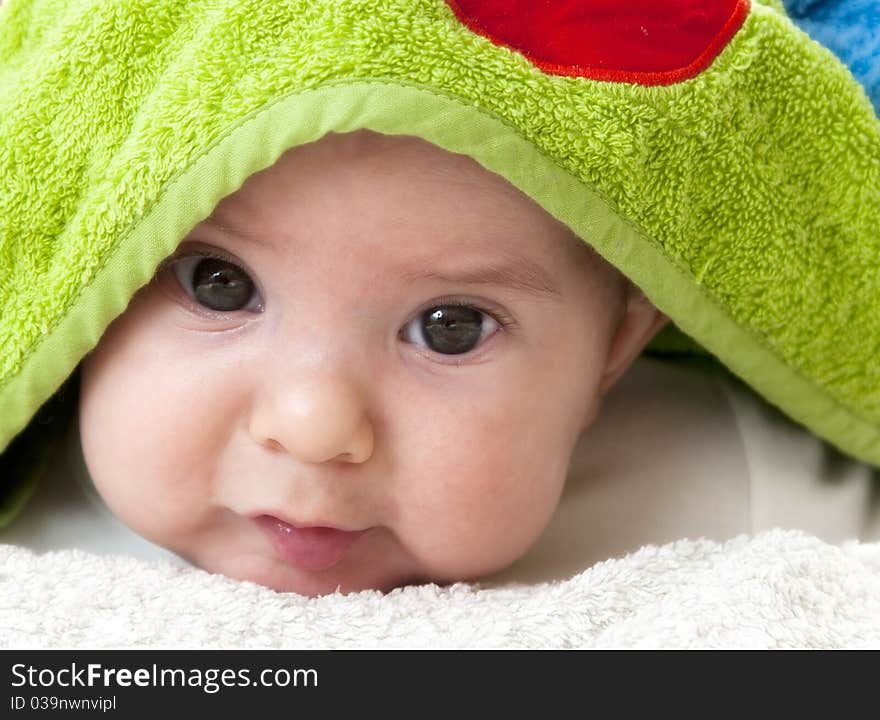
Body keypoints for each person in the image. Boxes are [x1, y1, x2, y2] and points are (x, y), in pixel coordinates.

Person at [2, 0, 879, 598]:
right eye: (218, 283)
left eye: (450, 328)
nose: (313, 427)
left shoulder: (739, 504)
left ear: (615, 346)